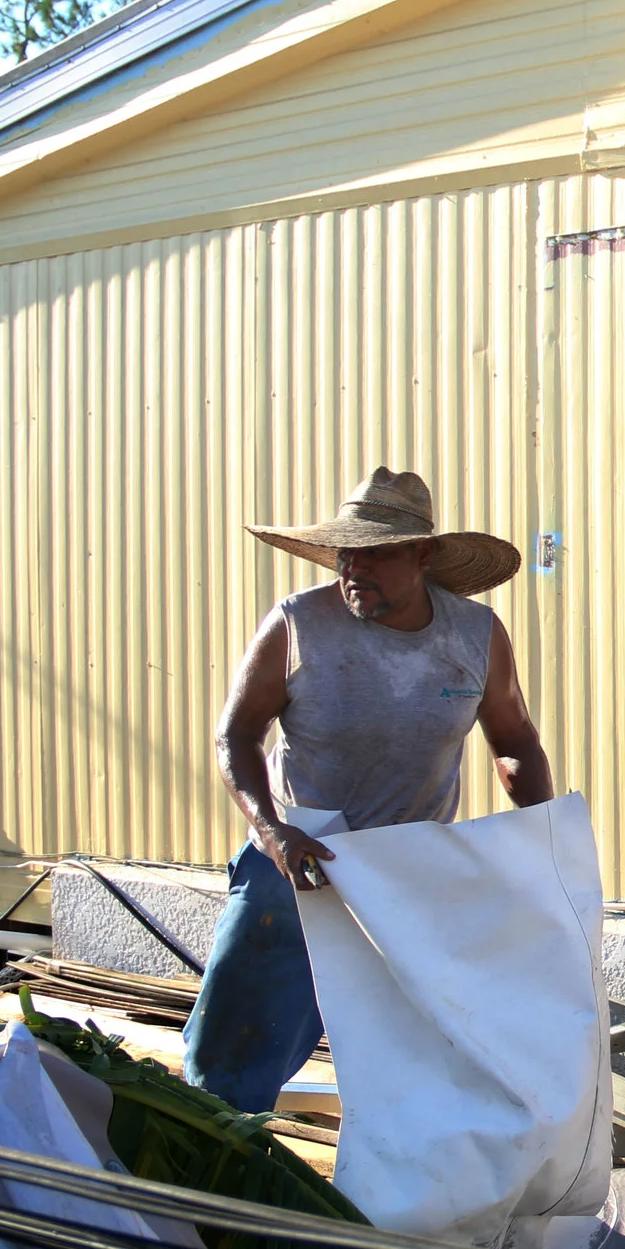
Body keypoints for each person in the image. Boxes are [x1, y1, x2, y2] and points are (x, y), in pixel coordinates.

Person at [181, 467, 554, 1112]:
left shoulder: (475, 636)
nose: (356, 570)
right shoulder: (297, 625)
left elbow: (515, 743)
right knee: (238, 1050)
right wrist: (271, 832)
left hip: (412, 873)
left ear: (423, 554)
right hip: (298, 865)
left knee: (410, 1053)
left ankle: (392, 1192)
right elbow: (235, 735)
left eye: (376, 553)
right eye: (346, 553)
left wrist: (546, 841)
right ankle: (212, 1178)